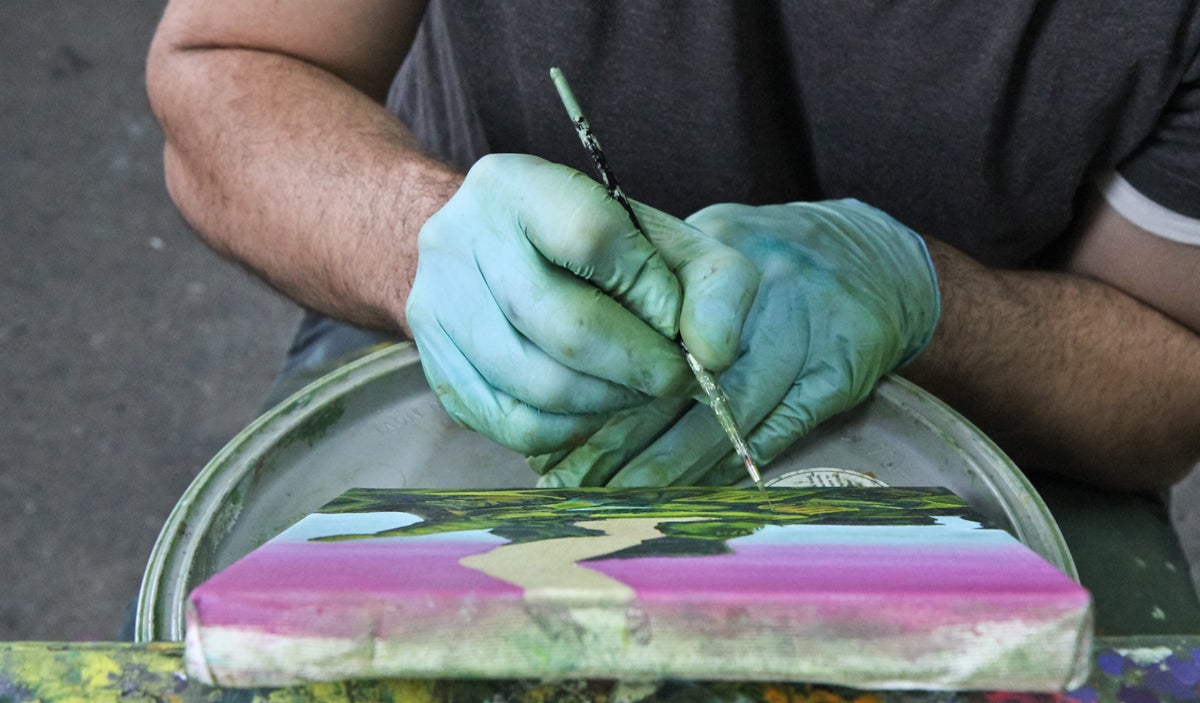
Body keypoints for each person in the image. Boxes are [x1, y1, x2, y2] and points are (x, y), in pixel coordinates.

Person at [145, 1, 1200, 635]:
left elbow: (1167, 381)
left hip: (988, 391)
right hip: (466, 327)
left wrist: (927, 295)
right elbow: (222, 69)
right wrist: (417, 234)